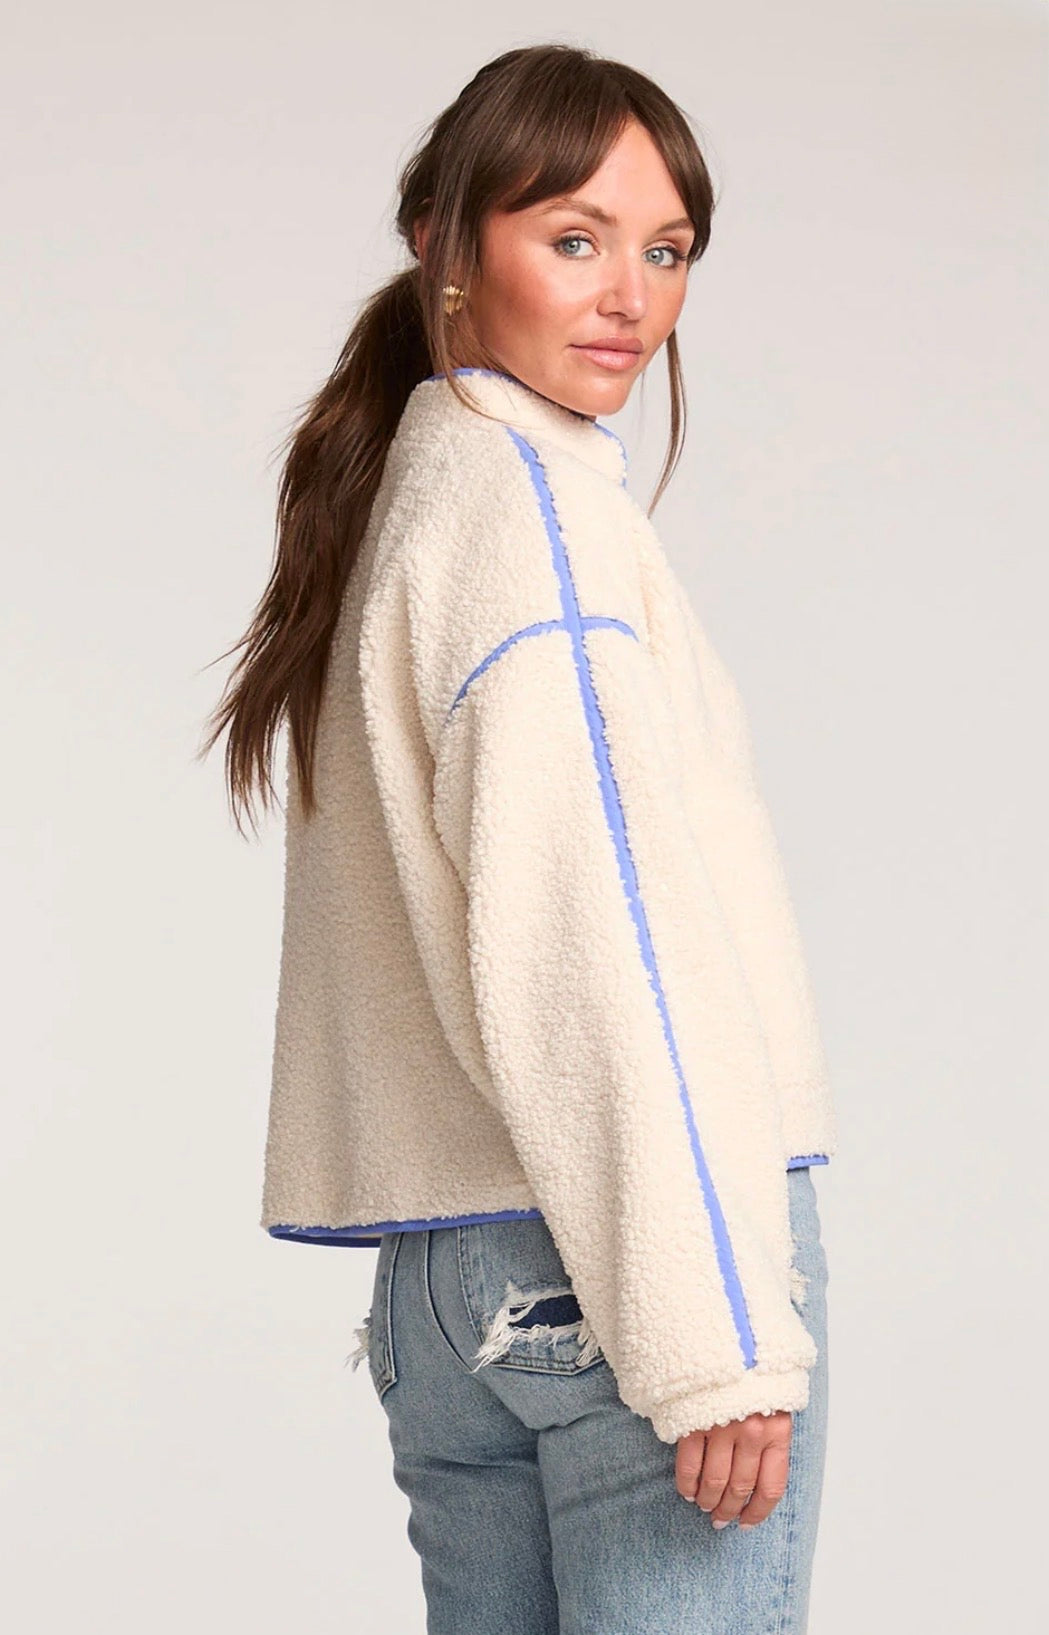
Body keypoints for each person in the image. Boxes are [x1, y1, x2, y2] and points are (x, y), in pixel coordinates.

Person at [200, 41, 837, 1635]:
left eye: (666, 250)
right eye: (573, 237)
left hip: (448, 1281)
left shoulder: (412, 502)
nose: (630, 296)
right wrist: (712, 1340)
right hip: (620, 1265)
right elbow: (596, 939)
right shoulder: (533, 524)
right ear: (442, 239)